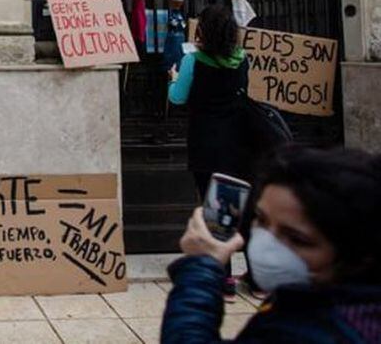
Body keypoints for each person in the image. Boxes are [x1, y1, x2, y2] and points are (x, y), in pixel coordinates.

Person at [161, 146, 381, 343]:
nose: (267, 243)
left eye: (297, 239)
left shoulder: (329, 331)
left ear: (358, 255)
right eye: (261, 219)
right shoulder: (313, 303)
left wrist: (201, 267)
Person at [168, 3, 251, 299]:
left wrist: (174, 77)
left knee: (212, 207)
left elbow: (177, 98)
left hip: (205, 143)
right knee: (236, 208)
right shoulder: (243, 60)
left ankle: (223, 278)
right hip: (237, 143)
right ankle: (253, 276)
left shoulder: (193, 61)